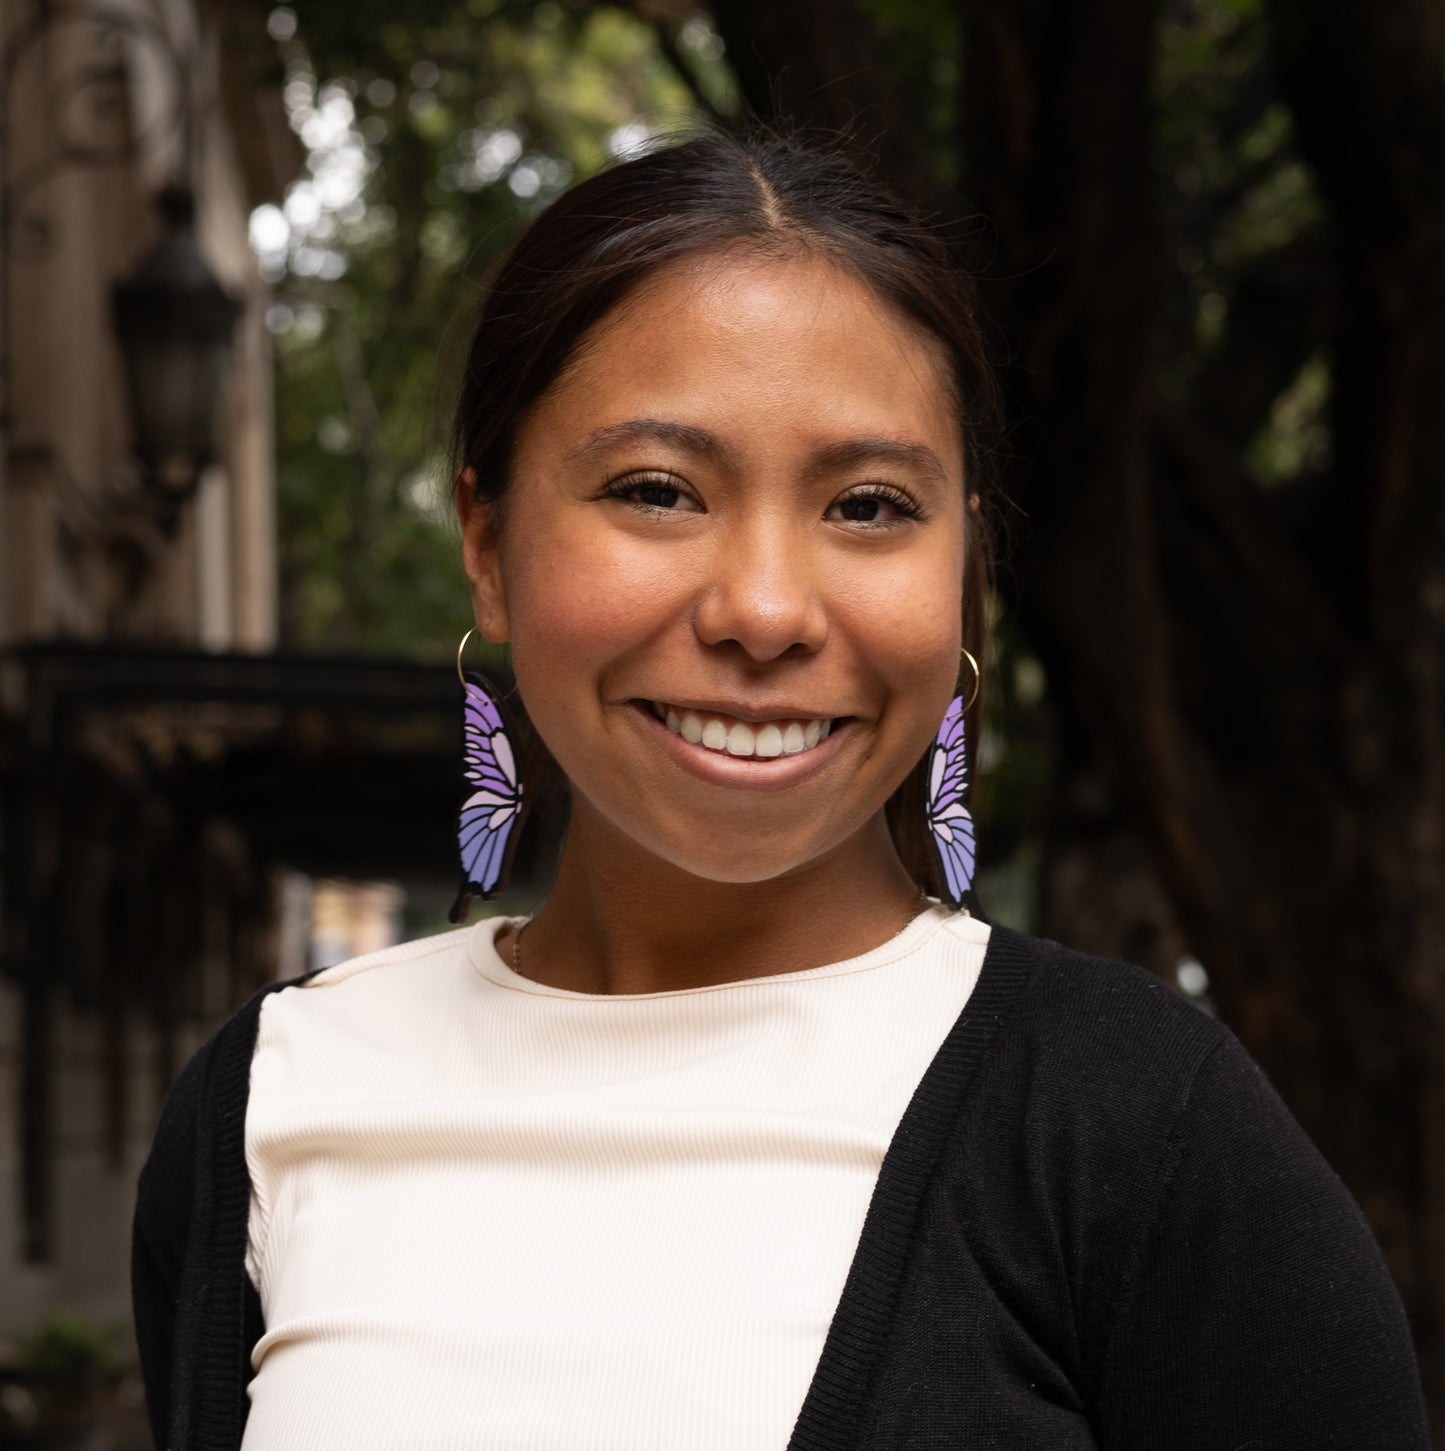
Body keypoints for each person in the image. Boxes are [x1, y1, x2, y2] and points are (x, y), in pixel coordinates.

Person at [132, 127, 1430, 1450]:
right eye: (656, 490)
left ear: (965, 563)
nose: (762, 609)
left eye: (868, 505)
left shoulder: (1139, 1129)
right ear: (487, 541)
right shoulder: (273, 1101)